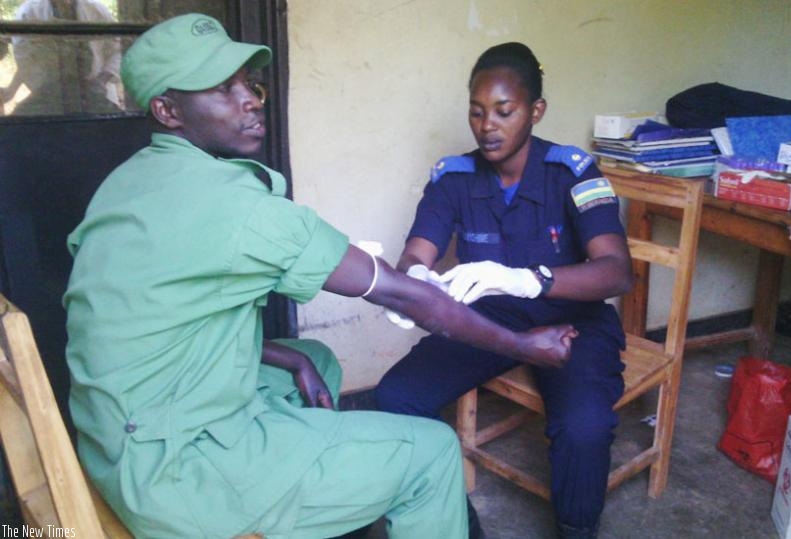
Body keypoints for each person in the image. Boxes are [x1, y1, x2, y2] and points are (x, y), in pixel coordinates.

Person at [63, 15, 578, 539]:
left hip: (116, 439)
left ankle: (321, 486)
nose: (250, 100)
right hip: (176, 472)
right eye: (223, 90)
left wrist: (292, 358)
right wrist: (524, 345)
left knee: (314, 360)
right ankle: (318, 479)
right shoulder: (237, 208)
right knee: (433, 453)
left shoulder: (126, 185)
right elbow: (407, 293)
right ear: (167, 111)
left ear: (535, 113)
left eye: (249, 84)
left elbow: (166, 324)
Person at [374, 42, 634, 539]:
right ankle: (459, 524)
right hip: (488, 318)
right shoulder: (453, 177)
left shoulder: (573, 172)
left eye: (503, 111)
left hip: (572, 319)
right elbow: (417, 253)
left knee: (584, 427)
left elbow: (616, 271)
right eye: (476, 111)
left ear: (536, 111)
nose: (486, 125)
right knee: (395, 397)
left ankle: (577, 531)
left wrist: (531, 278)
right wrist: (414, 283)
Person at [0, 0, 122, 115]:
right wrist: (50, 89)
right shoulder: (28, 13)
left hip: (98, 94)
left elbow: (117, 49)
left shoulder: (95, 9)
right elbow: (26, 62)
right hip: (49, 98)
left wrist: (101, 81)